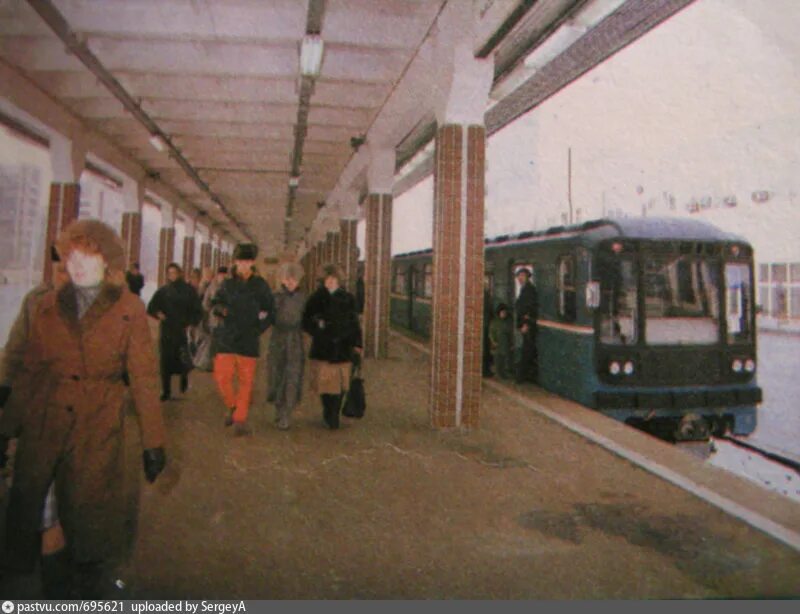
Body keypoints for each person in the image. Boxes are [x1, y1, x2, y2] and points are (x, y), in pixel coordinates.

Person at [0, 219, 166, 598]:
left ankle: (75, 582)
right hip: (45, 422)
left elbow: (143, 378)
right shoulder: (46, 305)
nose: (76, 265)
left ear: (107, 262)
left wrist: (153, 441)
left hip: (97, 424)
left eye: (87, 257)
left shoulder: (130, 309)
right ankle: (54, 590)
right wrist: (6, 429)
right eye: (70, 256)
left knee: (85, 516)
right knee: (44, 511)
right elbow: (29, 372)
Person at [0, 246, 71, 597]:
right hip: (35, 409)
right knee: (32, 487)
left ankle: (56, 570)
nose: (64, 277)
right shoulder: (34, 300)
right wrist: (4, 391)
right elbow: (14, 350)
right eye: (59, 269)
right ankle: (28, 562)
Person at [210, 244, 274, 436]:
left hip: (249, 339)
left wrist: (258, 329)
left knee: (246, 381)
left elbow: (270, 311)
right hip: (227, 338)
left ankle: (240, 418)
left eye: (247, 261)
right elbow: (215, 304)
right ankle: (232, 405)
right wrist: (222, 310)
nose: (244, 265)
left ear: (252, 263)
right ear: (235, 263)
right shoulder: (227, 284)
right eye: (240, 261)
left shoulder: (261, 285)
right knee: (222, 377)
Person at [303, 264, 363, 430]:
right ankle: (328, 410)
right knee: (325, 384)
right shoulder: (315, 298)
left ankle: (334, 413)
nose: (329, 282)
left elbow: (355, 323)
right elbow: (305, 321)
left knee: (341, 383)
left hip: (344, 347)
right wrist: (317, 328)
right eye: (326, 280)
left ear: (339, 280)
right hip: (323, 347)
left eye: (333, 279)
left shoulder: (348, 299)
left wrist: (358, 343)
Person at [147, 263, 203, 400]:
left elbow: (197, 311)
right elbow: (151, 307)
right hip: (167, 330)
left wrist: (190, 323)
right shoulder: (163, 291)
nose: (172, 275)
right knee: (165, 361)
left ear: (179, 273)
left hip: (182, 330)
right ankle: (166, 390)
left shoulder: (189, 291)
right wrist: (158, 314)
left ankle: (184, 378)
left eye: (174, 272)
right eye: (170, 273)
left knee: (182, 358)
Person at [267, 262, 306, 431]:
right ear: (282, 280)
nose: (291, 282)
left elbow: (308, 318)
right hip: (278, 339)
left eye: (294, 279)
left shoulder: (303, 298)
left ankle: (286, 412)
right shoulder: (275, 297)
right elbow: (267, 316)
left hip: (295, 340)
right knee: (277, 373)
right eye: (287, 279)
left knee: (293, 375)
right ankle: (278, 406)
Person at [514, 268, 539, 383]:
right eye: (519, 276)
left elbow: (529, 309)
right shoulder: (525, 289)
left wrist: (525, 324)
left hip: (527, 325)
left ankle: (522, 377)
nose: (520, 278)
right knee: (527, 349)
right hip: (525, 324)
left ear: (527, 277)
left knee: (527, 350)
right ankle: (525, 375)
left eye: (522, 276)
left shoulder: (529, 290)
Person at [489, 303, 514, 380]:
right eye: (502, 313)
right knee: (497, 360)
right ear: (499, 312)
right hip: (497, 344)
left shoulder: (508, 323)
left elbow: (510, 334)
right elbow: (491, 333)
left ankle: (503, 373)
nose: (504, 314)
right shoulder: (494, 322)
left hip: (505, 344)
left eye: (505, 313)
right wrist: (493, 341)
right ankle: (499, 373)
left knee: (504, 360)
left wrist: (511, 343)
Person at [482, 282, 494, 377]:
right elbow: (489, 310)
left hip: (482, 324)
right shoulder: (486, 295)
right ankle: (485, 370)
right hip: (485, 325)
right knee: (485, 348)